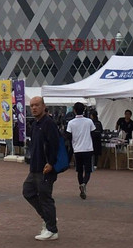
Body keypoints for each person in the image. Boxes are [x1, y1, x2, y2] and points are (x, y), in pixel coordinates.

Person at [23, 96, 60, 240]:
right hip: (35, 167)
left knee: (45, 197)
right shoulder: (35, 124)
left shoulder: (48, 123)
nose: (34, 108)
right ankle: (48, 218)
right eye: (32, 105)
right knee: (28, 191)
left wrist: (51, 163)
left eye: (37, 105)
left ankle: (52, 230)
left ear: (43, 106)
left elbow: (55, 144)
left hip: (45, 168)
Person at [66, 102, 95, 199]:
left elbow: (68, 136)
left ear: (74, 110)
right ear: (84, 110)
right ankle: (84, 184)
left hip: (77, 149)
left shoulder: (71, 123)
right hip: (88, 148)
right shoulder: (89, 121)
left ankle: (81, 183)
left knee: (79, 170)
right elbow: (94, 134)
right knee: (88, 170)